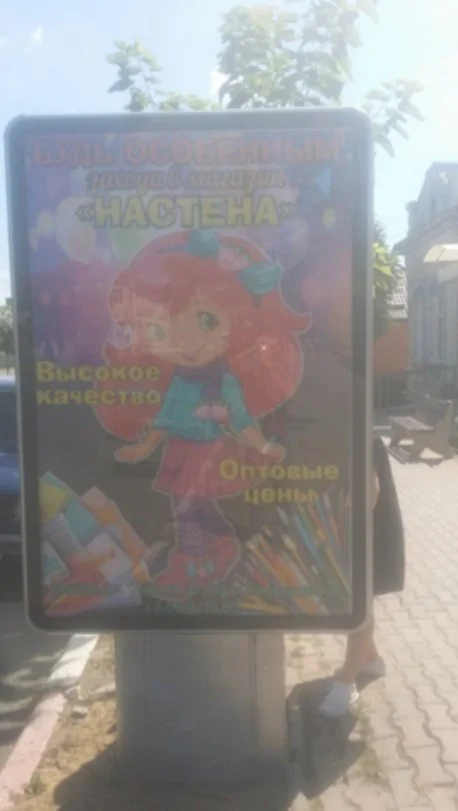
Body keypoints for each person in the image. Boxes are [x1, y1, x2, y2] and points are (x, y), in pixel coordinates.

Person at [319, 436, 405, 717]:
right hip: (367, 530)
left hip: (367, 534)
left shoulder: (358, 431)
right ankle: (372, 661)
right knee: (359, 602)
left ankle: (346, 684)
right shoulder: (351, 426)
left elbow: (371, 489)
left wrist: (346, 526)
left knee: (359, 605)